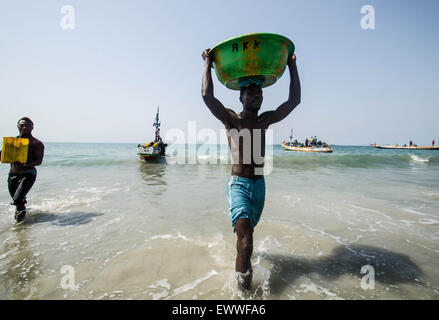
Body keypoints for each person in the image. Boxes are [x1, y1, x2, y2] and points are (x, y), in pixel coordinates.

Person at [201, 49, 301, 290]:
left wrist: (292, 65)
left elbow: (294, 101)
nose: (257, 96)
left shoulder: (264, 120)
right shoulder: (232, 120)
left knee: (247, 240)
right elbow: (207, 96)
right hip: (239, 186)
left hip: (259, 187)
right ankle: (243, 296)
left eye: (260, 93)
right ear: (241, 97)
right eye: (252, 93)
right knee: (245, 242)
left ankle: (243, 274)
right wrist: (207, 63)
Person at [0, 118, 44, 222]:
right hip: (13, 174)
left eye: (27, 126)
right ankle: (21, 224)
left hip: (28, 174)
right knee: (18, 201)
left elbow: (39, 161)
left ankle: (20, 225)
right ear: (18, 126)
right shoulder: (12, 142)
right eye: (22, 125)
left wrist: (27, 164)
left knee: (17, 199)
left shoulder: (36, 143)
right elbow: (2, 156)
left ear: (32, 128)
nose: (24, 127)